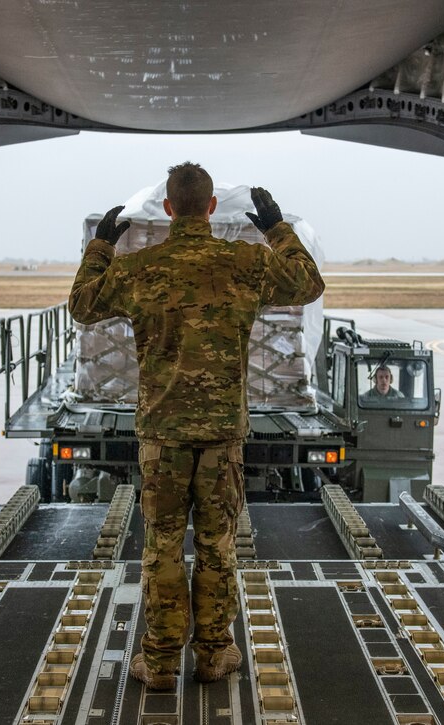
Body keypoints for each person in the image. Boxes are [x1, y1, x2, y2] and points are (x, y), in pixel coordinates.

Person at [69, 163, 324, 690]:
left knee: (162, 546)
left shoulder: (142, 267)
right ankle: (214, 655)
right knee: (217, 545)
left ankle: (159, 663)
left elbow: (82, 305)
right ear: (211, 208)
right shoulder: (245, 261)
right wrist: (276, 228)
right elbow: (308, 283)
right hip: (221, 435)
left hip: (162, 436)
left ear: (168, 208)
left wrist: (100, 247)